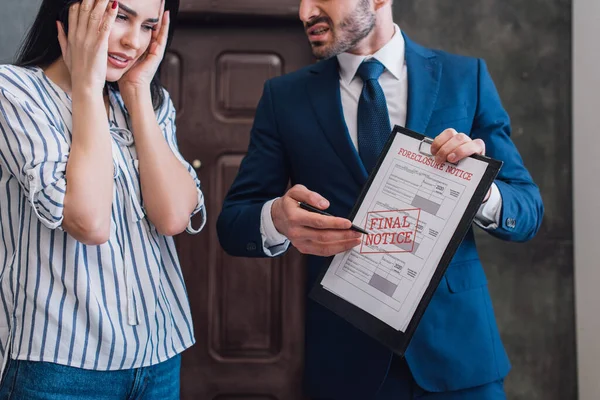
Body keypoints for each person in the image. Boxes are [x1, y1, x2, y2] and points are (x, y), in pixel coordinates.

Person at [217, 0, 544, 398]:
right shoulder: (284, 97)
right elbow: (233, 224)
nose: (304, 12)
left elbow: (527, 210)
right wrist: (276, 220)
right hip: (345, 362)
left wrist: (478, 191)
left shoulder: (466, 78)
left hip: (460, 358)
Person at [0, 0, 205, 398]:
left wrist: (137, 92)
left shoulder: (152, 103)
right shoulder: (13, 92)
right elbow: (89, 221)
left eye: (148, 26)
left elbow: (173, 217)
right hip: (57, 366)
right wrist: (88, 87)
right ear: (72, 11)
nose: (133, 41)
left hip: (159, 355)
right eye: (121, 17)